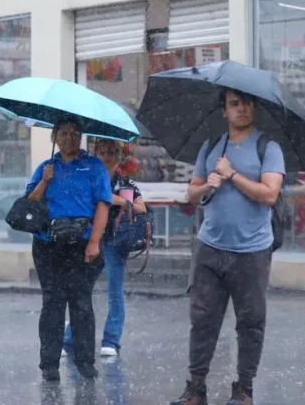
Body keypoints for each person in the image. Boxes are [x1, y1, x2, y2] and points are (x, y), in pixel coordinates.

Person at [170, 89, 285, 405]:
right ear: (224, 110)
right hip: (210, 248)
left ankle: (244, 388)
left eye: (248, 103)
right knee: (202, 320)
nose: (242, 108)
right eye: (235, 103)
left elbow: (269, 194)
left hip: (252, 251)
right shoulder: (211, 147)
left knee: (250, 322)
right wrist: (208, 183)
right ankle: (196, 388)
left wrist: (232, 174)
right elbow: (191, 194)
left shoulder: (267, 147)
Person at [26, 118, 111, 381]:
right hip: (48, 245)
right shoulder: (45, 168)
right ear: (54, 137)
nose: (69, 138)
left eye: (75, 134)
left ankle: (84, 361)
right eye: (63, 133)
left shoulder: (94, 167)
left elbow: (103, 205)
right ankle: (49, 364)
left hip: (81, 246)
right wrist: (45, 181)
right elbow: (29, 203)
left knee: (81, 304)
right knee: (52, 304)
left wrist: (94, 241)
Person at [62, 138, 148, 358]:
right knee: (81, 290)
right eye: (102, 151)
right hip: (88, 239)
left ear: (118, 156)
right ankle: (71, 337)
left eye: (111, 152)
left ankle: (111, 339)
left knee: (114, 293)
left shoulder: (125, 183)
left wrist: (117, 200)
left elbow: (141, 208)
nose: (107, 156)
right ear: (95, 154)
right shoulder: (88, 179)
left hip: (114, 241)